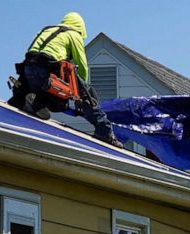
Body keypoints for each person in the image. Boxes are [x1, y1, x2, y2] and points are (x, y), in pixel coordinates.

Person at [8, 12, 122, 147]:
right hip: (49, 68)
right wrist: (81, 92)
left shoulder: (46, 29)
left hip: (27, 68)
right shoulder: (74, 34)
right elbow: (82, 65)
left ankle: (30, 101)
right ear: (81, 29)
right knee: (86, 94)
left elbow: (33, 53)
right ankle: (104, 131)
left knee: (44, 93)